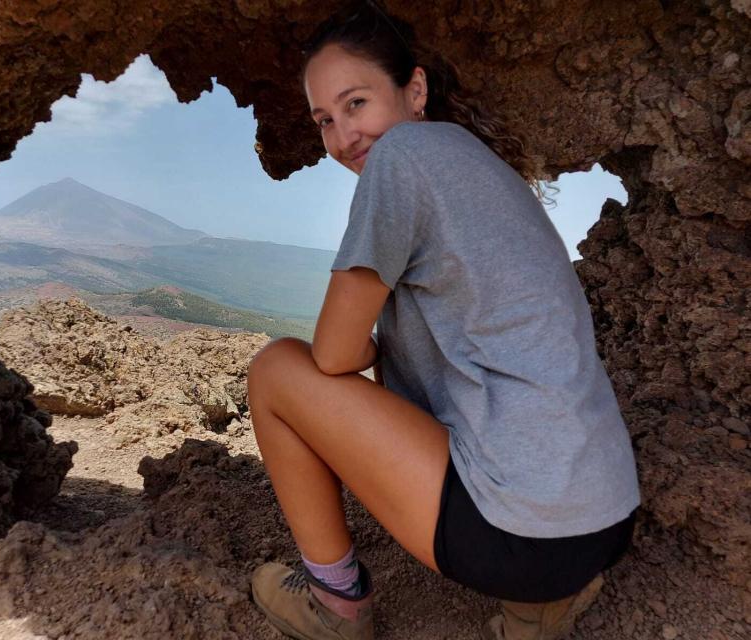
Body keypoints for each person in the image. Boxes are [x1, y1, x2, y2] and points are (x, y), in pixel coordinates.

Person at [246, 3, 640, 639]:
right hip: (603, 520)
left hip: (520, 533)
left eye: (355, 103)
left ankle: (334, 603)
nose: (343, 135)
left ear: (415, 89)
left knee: (275, 371)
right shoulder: (478, 164)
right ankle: (540, 606)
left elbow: (331, 357)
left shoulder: (403, 157)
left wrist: (363, 350)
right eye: (324, 119)